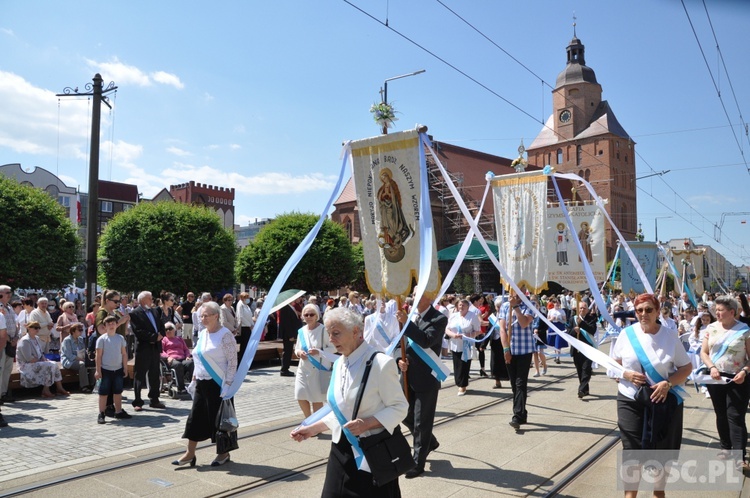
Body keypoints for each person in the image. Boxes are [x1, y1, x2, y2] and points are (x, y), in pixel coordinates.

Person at [290, 307, 408, 497]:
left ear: (356, 332)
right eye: (329, 334)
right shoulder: (338, 364)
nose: (330, 340)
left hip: (371, 452)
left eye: (336, 333)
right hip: (341, 450)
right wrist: (313, 428)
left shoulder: (381, 363)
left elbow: (400, 407)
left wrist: (368, 423)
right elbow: (341, 411)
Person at [610, 293, 692, 497]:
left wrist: (668, 383)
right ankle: (630, 494)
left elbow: (686, 367)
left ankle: (658, 491)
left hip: (662, 400)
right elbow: (612, 366)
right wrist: (625, 374)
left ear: (657, 311)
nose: (643, 314)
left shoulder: (670, 336)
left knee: (662, 449)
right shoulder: (626, 335)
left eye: (648, 310)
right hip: (630, 398)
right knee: (631, 448)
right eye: (639, 310)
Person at [173, 301, 237, 467]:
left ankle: (223, 453)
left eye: (206, 315)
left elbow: (232, 362)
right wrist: (194, 378)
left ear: (216, 316)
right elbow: (199, 358)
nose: (203, 318)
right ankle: (190, 453)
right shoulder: (202, 333)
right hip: (201, 383)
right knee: (195, 418)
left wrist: (228, 385)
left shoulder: (225, 335)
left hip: (219, 384)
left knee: (219, 420)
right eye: (201, 315)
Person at [395, 294, 447, 478]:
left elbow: (426, 340)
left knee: (421, 422)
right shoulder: (409, 316)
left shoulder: (439, 318)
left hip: (426, 378)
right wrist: (399, 362)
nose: (413, 297)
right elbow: (399, 345)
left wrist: (406, 323)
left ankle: (418, 463)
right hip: (407, 376)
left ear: (430, 297)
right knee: (404, 415)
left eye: (418, 294)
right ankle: (429, 442)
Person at [699, 295, 750, 470]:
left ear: (732, 312)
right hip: (715, 377)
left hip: (738, 378)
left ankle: (739, 456)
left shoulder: (744, 330)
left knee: (735, 416)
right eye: (716, 310)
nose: (717, 313)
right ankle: (725, 447)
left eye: (720, 310)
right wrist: (711, 367)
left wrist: (744, 371)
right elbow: (704, 352)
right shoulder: (711, 328)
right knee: (721, 413)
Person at [499, 292, 535, 430]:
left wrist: (515, 307)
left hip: (525, 350)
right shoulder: (504, 306)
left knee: (520, 383)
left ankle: (517, 416)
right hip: (510, 350)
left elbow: (524, 323)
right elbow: (502, 329)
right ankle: (522, 412)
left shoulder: (530, 305)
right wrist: (505, 349)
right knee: (514, 384)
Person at [294, 303, 333, 418]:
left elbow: (334, 347)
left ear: (317, 316)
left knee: (316, 398)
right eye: (306, 315)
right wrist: (299, 353)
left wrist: (319, 351)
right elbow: (297, 348)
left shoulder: (323, 330)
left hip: (318, 369)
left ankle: (315, 422)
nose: (309, 317)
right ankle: (308, 419)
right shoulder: (301, 331)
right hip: (303, 368)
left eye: (312, 314)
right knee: (300, 395)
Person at [129, 291, 166, 411]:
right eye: (150, 299)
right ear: (143, 300)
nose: (152, 301)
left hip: (155, 348)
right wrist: (153, 337)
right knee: (139, 374)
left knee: (155, 374)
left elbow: (161, 325)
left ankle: (154, 399)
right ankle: (138, 401)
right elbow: (138, 331)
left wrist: (160, 335)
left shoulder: (155, 311)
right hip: (143, 348)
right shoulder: (135, 313)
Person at [16, 321, 70, 397]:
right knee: (48, 366)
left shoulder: (37, 338)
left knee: (54, 364)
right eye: (35, 328)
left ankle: (59, 388)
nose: (37, 330)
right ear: (29, 328)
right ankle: (46, 390)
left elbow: (40, 353)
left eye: (38, 328)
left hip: (36, 362)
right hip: (26, 365)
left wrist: (45, 360)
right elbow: (28, 358)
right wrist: (43, 361)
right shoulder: (25, 341)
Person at [95, 316, 131, 423]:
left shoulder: (120, 338)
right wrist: (98, 370)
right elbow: (98, 356)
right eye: (108, 324)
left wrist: (125, 367)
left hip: (118, 369)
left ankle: (118, 411)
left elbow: (124, 354)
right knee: (103, 393)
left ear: (116, 325)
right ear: (105, 326)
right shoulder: (101, 339)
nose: (111, 326)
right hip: (105, 370)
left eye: (113, 323)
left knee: (118, 392)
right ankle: (101, 413)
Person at [445, 299, 480, 396]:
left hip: (466, 345)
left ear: (468, 307)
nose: (461, 307)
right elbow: (447, 329)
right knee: (457, 365)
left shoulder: (472, 316)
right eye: (460, 305)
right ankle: (459, 382)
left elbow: (478, 331)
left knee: (464, 365)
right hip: (455, 344)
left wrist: (468, 334)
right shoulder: (453, 316)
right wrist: (453, 335)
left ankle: (463, 385)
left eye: (464, 305)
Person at [569, 301, 599, 398]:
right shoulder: (572, 319)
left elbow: (592, 330)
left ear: (587, 309)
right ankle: (585, 389)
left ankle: (581, 389)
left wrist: (581, 323)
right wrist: (574, 330)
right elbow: (568, 332)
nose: (582, 310)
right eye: (580, 308)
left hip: (588, 348)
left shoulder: (591, 318)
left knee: (586, 370)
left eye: (584, 308)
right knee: (580, 371)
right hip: (576, 349)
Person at [61, 323, 95, 392]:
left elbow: (84, 351)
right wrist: (79, 359)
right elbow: (68, 355)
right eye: (79, 330)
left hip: (80, 359)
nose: (81, 331)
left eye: (82, 330)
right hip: (69, 361)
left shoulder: (81, 339)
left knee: (91, 364)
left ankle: (93, 384)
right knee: (82, 365)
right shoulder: (67, 340)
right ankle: (84, 386)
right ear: (73, 331)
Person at [161, 322, 193, 393]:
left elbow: (186, 349)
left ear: (174, 330)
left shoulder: (180, 339)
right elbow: (161, 351)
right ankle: (181, 388)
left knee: (190, 363)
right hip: (172, 360)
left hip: (183, 358)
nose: (168, 331)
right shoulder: (164, 340)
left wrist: (187, 356)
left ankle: (193, 385)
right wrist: (168, 357)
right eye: (166, 329)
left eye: (170, 329)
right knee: (178, 365)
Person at [0, 285, 19, 403]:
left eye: (10, 292)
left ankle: (3, 393)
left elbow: (15, 323)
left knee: (7, 369)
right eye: (7, 292)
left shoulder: (10, 308)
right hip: (3, 343)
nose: (10, 294)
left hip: (11, 342)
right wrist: (8, 339)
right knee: (0, 370)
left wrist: (16, 337)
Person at [278, 301, 301, 377]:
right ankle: (284, 369)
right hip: (288, 335)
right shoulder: (285, 308)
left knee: (289, 351)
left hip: (292, 333)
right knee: (287, 351)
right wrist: (290, 335)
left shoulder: (291, 308)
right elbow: (286, 323)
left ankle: (286, 368)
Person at [235, 292, 254, 362]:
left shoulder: (246, 305)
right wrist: (249, 325)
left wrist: (252, 325)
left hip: (248, 327)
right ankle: (241, 361)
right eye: (246, 298)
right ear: (242, 298)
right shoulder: (240, 304)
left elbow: (250, 317)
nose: (248, 299)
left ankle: (246, 360)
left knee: (247, 345)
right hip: (244, 327)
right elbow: (241, 317)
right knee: (244, 345)